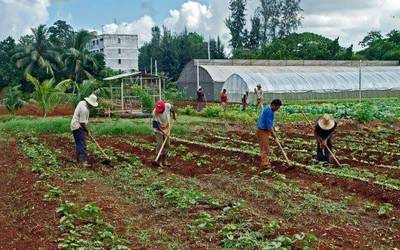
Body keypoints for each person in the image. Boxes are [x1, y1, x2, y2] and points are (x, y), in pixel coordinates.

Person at [70, 94, 98, 166]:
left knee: (79, 143)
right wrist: (87, 131)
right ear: (89, 103)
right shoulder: (84, 109)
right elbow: (82, 123)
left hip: (74, 125)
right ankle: (82, 162)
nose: (92, 107)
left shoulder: (82, 102)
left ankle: (80, 160)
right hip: (78, 126)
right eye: (92, 105)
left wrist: (86, 131)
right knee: (82, 144)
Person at [256, 99, 282, 169]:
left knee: (265, 147)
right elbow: (269, 127)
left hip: (264, 130)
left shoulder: (268, 108)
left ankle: (266, 162)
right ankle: (265, 165)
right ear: (273, 105)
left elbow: (270, 124)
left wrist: (274, 131)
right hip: (262, 131)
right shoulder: (269, 112)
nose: (277, 109)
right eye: (277, 107)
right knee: (265, 148)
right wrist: (274, 136)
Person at [152, 100, 176, 167]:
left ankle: (164, 160)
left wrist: (174, 115)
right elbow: (156, 126)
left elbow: (173, 108)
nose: (159, 111)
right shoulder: (154, 113)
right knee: (160, 144)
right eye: (158, 110)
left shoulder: (167, 106)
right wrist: (164, 132)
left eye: (160, 110)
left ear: (164, 108)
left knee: (167, 145)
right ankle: (158, 160)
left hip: (166, 126)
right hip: (158, 130)